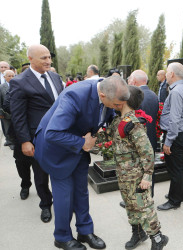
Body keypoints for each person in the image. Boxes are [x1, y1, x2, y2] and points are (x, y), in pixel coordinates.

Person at [33, 76, 128, 250]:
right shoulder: (74, 96)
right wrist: (83, 143)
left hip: (78, 148)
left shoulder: (106, 89)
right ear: (102, 95)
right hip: (57, 151)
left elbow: (106, 115)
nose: (118, 108)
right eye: (116, 104)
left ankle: (84, 231)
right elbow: (52, 133)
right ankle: (62, 237)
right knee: (65, 198)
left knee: (81, 193)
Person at [97, 85, 168, 250]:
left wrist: (147, 176)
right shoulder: (118, 121)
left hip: (136, 175)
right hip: (124, 174)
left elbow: (148, 152)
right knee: (130, 205)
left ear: (123, 101)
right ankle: (138, 233)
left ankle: (158, 238)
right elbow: (106, 135)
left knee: (144, 206)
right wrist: (91, 137)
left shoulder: (133, 123)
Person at [9, 44, 63, 223]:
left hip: (59, 137)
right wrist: (25, 140)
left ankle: (62, 201)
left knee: (60, 170)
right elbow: (18, 115)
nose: (48, 61)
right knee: (40, 175)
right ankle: (46, 205)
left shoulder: (55, 77)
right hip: (37, 138)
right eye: (44, 58)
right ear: (31, 59)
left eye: (49, 57)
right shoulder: (20, 81)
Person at [157, 62, 183, 211]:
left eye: (167, 72)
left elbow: (174, 119)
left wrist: (168, 141)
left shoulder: (177, 91)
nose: (165, 75)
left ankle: (174, 200)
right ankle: (178, 194)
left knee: (175, 169)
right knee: (181, 167)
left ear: (171, 74)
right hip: (182, 133)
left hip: (175, 135)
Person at [127, 70, 159, 198]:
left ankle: (138, 198)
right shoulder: (153, 95)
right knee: (149, 168)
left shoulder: (135, 96)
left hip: (139, 139)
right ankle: (149, 195)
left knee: (137, 170)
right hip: (152, 137)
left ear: (134, 81)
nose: (128, 82)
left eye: (129, 79)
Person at [0, 70, 15, 149]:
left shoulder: (17, 85)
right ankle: (10, 142)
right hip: (5, 112)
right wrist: (1, 113)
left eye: (13, 76)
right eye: (9, 76)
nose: (11, 78)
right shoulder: (1, 87)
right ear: (4, 77)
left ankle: (13, 140)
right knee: (7, 127)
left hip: (16, 111)